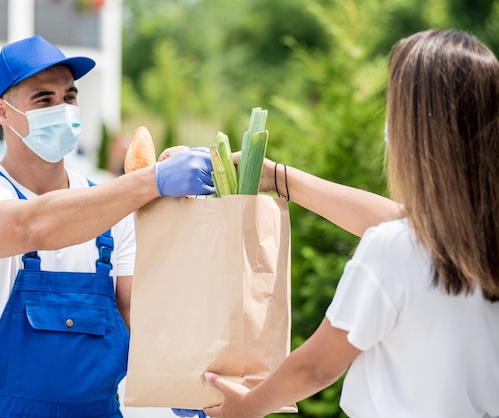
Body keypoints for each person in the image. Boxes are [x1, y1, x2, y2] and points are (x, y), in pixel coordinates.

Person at [203, 29, 499, 418]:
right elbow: (409, 225)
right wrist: (280, 178)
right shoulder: (476, 239)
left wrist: (246, 407)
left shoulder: (395, 249)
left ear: (419, 130)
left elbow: (316, 368)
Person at [0, 35, 215, 418]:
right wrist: (150, 181)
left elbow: (136, 309)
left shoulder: (111, 204)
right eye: (44, 100)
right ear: (1, 112)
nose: (62, 109)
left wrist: (183, 384)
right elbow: (30, 226)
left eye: (69, 97)